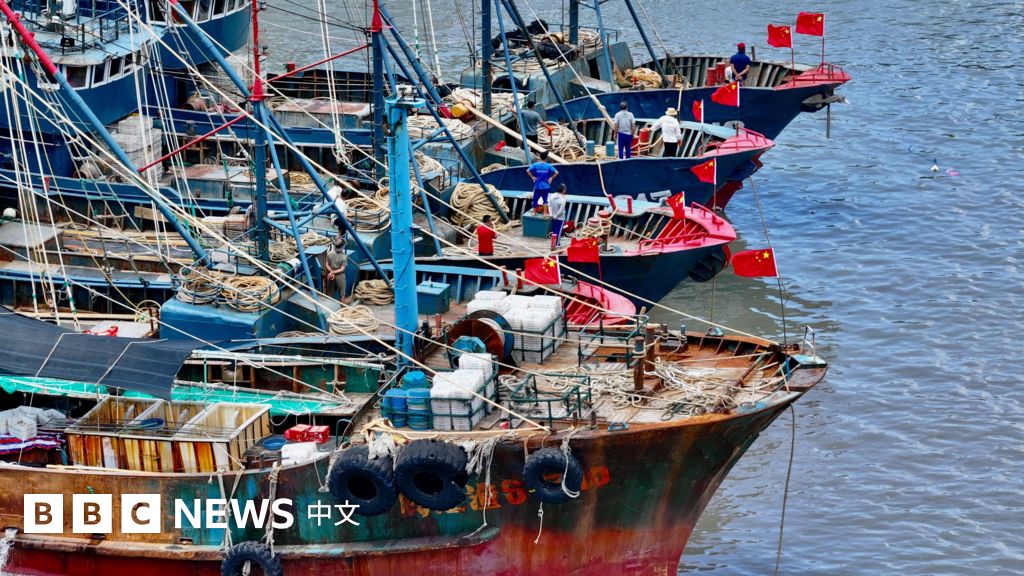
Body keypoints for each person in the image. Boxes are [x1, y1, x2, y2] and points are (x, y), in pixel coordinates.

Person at [527, 150, 558, 216]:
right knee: (545, 200)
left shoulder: (535, 165)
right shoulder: (548, 166)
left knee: (535, 199)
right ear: (546, 158)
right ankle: (545, 213)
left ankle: (534, 213)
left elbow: (527, 170)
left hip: (537, 186)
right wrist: (551, 178)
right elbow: (556, 172)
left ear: (540, 157)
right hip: (546, 186)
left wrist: (532, 177)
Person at [325, 233, 349, 303]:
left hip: (331, 275)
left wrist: (331, 272)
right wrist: (334, 272)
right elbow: (342, 269)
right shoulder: (344, 257)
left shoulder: (329, 254)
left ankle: (328, 308)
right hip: (340, 277)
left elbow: (327, 264)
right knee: (342, 294)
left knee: (330, 294)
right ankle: (343, 310)